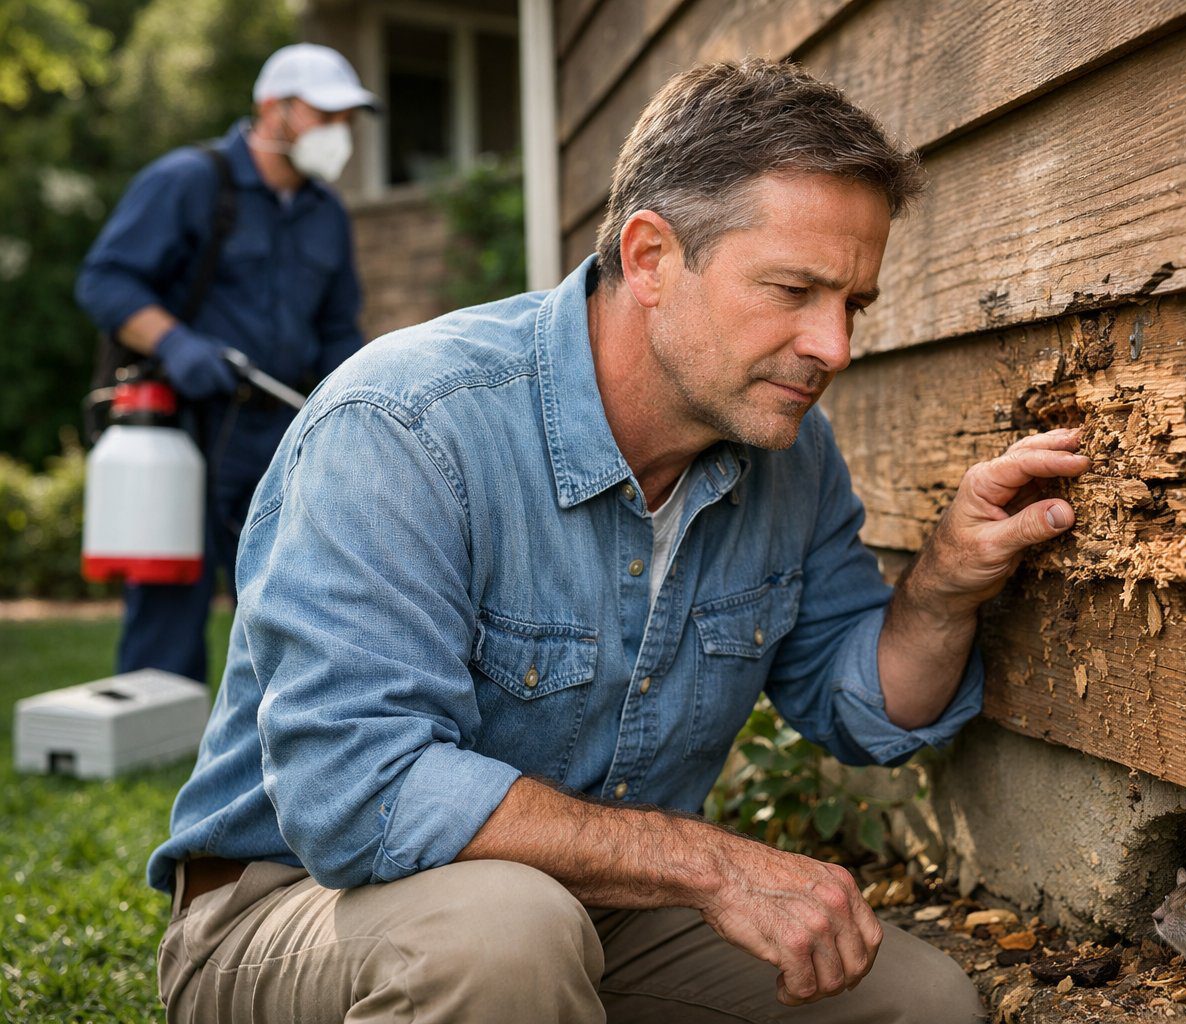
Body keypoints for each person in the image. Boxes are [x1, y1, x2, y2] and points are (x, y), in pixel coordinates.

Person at [147, 59, 1091, 1022]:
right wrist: (710, 864)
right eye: (794, 289)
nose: (834, 347)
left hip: (600, 904)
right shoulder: (406, 425)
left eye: (853, 304)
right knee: (504, 937)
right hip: (300, 907)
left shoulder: (790, 455)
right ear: (649, 259)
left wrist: (946, 583)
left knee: (919, 1005)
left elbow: (860, 708)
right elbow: (358, 792)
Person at [75, 43, 375, 684]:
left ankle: (278, 726)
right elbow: (106, 282)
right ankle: (157, 714)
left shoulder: (327, 215)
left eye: (347, 119)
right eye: (325, 115)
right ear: (273, 108)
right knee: (169, 600)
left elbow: (337, 330)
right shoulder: (190, 181)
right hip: (186, 423)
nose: (339, 133)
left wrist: (348, 406)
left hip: (279, 432)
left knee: (286, 598)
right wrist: (175, 343)